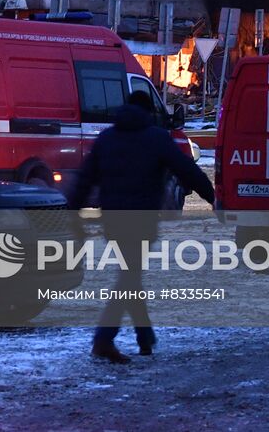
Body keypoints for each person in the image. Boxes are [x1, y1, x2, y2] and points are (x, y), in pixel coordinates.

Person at [67, 91, 215, 364]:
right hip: (141, 220)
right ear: (148, 112)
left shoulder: (106, 138)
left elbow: (85, 179)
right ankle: (104, 339)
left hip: (112, 219)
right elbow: (186, 169)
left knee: (130, 276)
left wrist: (71, 215)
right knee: (129, 278)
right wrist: (213, 196)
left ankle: (145, 338)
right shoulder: (156, 138)